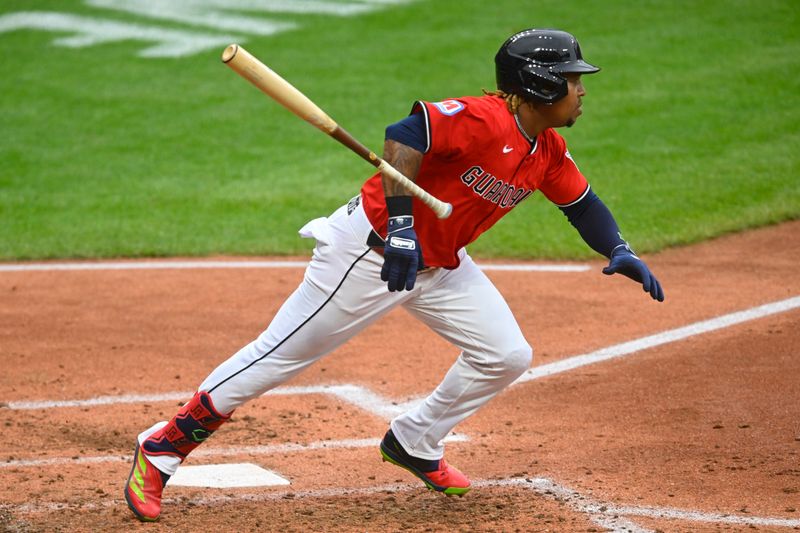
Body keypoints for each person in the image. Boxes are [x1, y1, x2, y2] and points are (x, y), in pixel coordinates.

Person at [124, 28, 664, 522]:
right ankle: (164, 446)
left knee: (505, 354)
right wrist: (403, 228)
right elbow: (404, 134)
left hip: (440, 265)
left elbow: (583, 204)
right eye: (573, 79)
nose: (581, 89)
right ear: (541, 85)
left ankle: (415, 440)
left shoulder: (546, 149)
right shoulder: (482, 118)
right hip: (369, 253)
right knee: (278, 357)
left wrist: (618, 247)